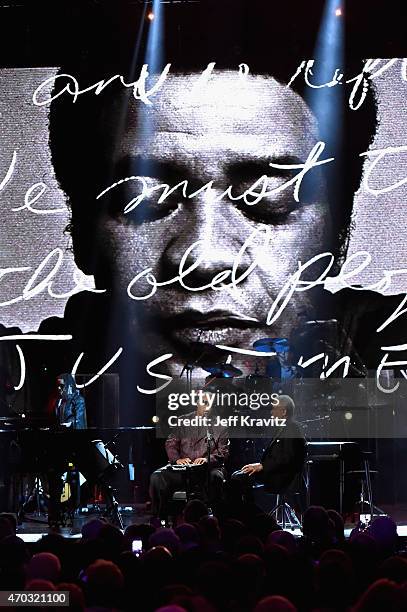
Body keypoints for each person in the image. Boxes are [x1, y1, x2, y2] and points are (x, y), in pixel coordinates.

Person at [150, 390, 229, 518]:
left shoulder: (220, 425)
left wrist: (207, 459)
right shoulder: (183, 421)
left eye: (210, 403)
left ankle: (215, 518)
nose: (207, 406)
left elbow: (223, 451)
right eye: (204, 402)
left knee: (216, 477)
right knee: (156, 477)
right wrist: (177, 460)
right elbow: (171, 443)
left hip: (206, 470)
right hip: (182, 470)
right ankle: (160, 518)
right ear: (197, 403)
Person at [231, 395, 306, 499]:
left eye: (274, 408)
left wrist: (262, 466)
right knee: (238, 473)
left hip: (282, 476)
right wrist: (260, 464)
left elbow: (286, 458)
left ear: (284, 412)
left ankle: (248, 511)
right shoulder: (283, 428)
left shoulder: (292, 429)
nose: (271, 412)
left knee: (238, 478)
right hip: (275, 471)